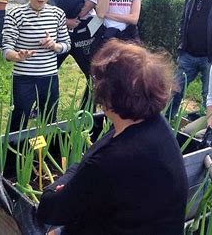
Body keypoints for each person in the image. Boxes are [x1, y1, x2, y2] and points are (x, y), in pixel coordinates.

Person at [37, 39, 188, 235]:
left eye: (96, 81)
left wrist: (62, 183)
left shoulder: (114, 158)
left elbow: (50, 210)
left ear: (108, 93)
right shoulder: (154, 125)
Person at [2, 0, 70, 131]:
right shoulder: (15, 15)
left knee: (50, 120)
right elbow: (6, 49)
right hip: (24, 78)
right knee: (19, 120)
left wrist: (54, 45)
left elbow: (67, 44)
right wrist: (17, 56)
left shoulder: (57, 14)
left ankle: (45, 154)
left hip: (49, 77)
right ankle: (14, 154)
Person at [49, 0, 104, 110]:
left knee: (93, 75)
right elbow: (51, 4)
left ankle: (86, 111)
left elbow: (85, 10)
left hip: (83, 32)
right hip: (60, 29)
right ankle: (44, 108)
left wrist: (90, 31)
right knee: (48, 71)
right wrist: (65, 22)